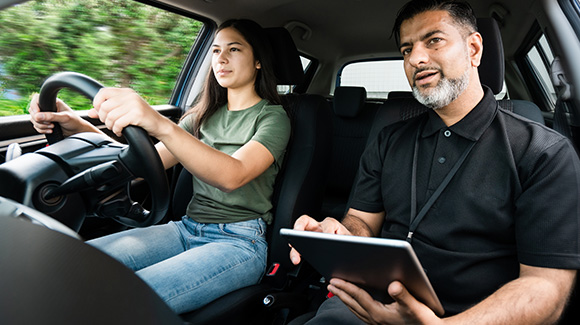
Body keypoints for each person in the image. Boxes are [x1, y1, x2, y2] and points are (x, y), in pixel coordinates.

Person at [289, 0, 580, 324]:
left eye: (434, 40)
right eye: (406, 49)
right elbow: (362, 222)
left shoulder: (543, 152)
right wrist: (338, 233)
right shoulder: (388, 140)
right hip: (370, 306)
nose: (415, 58)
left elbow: (545, 288)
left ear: (473, 48)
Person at [29, 19, 291, 314]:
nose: (221, 58)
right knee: (73, 266)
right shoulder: (202, 116)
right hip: (185, 229)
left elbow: (233, 175)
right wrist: (74, 125)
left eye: (234, 49)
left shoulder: (272, 117)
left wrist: (160, 124)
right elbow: (140, 163)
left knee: (118, 300)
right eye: (215, 51)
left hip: (239, 242)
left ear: (258, 61)